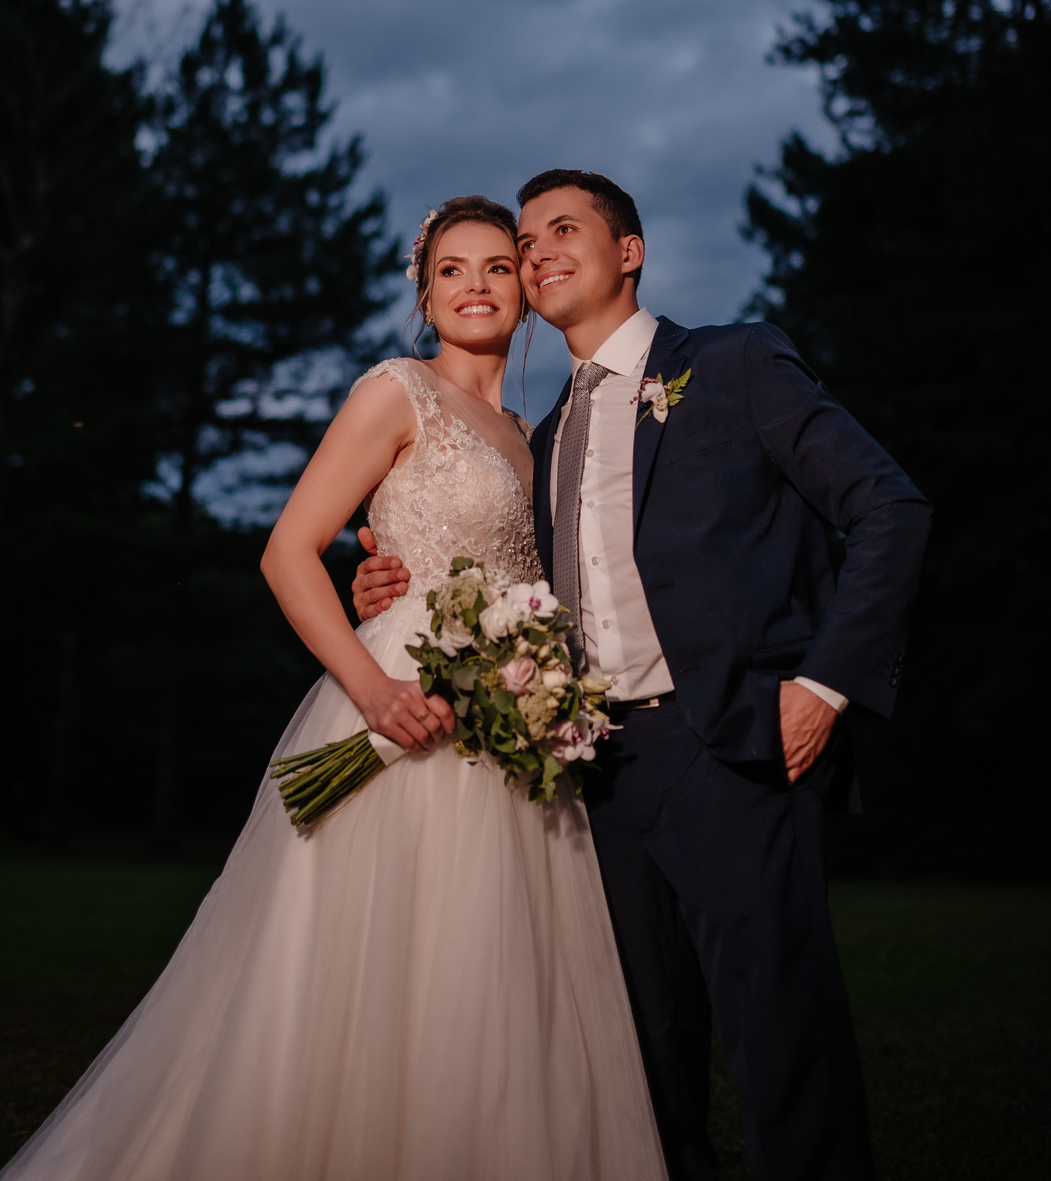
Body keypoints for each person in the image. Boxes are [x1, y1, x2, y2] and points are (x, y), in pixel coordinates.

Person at [0, 194, 666, 1181]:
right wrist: (374, 690)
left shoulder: (531, 430)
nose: (475, 285)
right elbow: (288, 550)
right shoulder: (396, 391)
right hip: (401, 702)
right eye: (450, 270)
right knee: (367, 967)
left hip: (510, 730)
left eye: (497, 266)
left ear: (526, 290)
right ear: (425, 295)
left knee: (489, 975)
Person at [354, 170, 931, 1181]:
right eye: (527, 242)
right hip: (596, 777)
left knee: (781, 1044)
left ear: (630, 251)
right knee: (640, 1072)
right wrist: (387, 577)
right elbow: (498, 576)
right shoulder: (538, 441)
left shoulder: (734, 364)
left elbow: (889, 506)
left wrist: (825, 684)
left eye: (562, 229)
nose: (538, 252)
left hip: (732, 749)